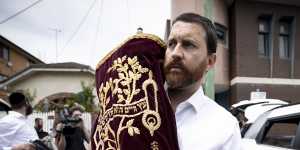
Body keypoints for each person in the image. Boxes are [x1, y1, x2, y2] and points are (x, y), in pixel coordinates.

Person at [163, 13, 242, 150]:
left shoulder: (225, 127)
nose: (175, 53)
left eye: (188, 45)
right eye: (171, 44)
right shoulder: (138, 108)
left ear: (210, 62)